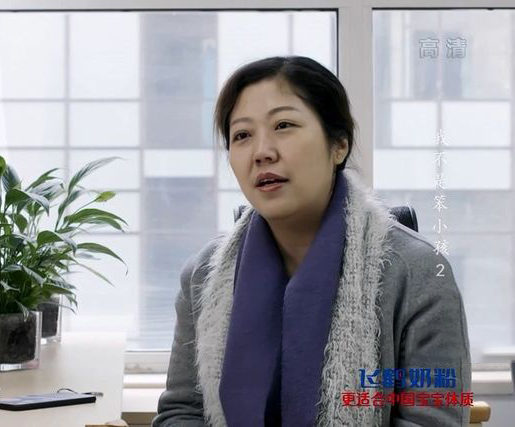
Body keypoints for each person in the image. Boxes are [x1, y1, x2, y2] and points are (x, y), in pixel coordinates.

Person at [151, 56, 471, 426]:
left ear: (339, 145)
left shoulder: (419, 274)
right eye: (242, 135)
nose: (262, 151)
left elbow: (433, 420)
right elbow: (181, 412)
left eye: (283, 125)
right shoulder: (203, 276)